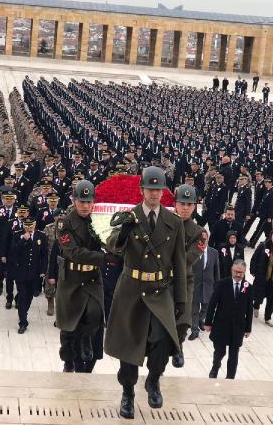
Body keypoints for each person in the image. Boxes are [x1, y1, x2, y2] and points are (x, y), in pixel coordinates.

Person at [105, 167, 189, 418]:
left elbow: (180, 263)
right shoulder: (129, 217)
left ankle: (153, 379)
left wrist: (181, 299)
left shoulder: (173, 222)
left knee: (164, 339)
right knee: (129, 346)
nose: (154, 194)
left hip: (159, 290)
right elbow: (112, 245)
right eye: (150, 189)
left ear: (164, 193)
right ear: (141, 190)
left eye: (158, 189)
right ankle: (128, 393)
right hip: (132, 289)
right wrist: (123, 234)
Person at [56, 180, 114, 372]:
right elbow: (74, 252)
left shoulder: (98, 220)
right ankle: (68, 361)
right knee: (69, 326)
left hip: (92, 278)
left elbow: (109, 239)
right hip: (71, 278)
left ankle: (87, 341)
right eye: (82, 201)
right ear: (74, 200)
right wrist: (103, 258)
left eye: (89, 202)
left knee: (95, 313)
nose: (86, 206)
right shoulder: (64, 223)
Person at [172, 184, 205, 367]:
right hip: (161, 277)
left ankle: (178, 346)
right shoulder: (165, 223)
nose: (185, 208)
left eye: (189, 204)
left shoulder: (199, 233)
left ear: (194, 207)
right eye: (181, 203)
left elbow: (188, 259)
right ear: (175, 204)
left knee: (183, 319)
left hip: (183, 279)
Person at [205, 259, 253, 379]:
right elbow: (212, 304)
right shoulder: (222, 284)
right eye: (236, 271)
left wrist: (248, 328)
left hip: (237, 328)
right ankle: (215, 368)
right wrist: (208, 322)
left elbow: (249, 309)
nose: (238, 275)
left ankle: (230, 378)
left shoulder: (248, 287)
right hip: (221, 326)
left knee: (233, 355)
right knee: (219, 352)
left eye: (241, 273)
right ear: (231, 270)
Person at [9, 217, 47, 334]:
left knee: (30, 296)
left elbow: (44, 255)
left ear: (35, 224)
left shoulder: (41, 236)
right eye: (27, 226)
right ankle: (23, 322)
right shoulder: (17, 235)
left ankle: (23, 311)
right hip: (21, 272)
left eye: (31, 226)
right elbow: (13, 251)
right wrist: (23, 240)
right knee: (22, 296)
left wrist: (43, 270)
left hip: (34, 273)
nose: (29, 228)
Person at [189, 233, 219, 341]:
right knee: (194, 309)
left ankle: (201, 320)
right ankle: (194, 330)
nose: (203, 241)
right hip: (194, 285)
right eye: (200, 239)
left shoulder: (214, 252)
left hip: (208, 286)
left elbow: (216, 270)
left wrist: (217, 286)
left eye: (205, 239)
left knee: (206, 308)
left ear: (208, 239)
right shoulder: (192, 252)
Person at [248, 177, 273, 248]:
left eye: (267, 182)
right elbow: (263, 202)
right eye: (265, 182)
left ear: (271, 183)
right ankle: (270, 242)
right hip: (264, 213)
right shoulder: (268, 190)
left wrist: (269, 216)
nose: (265, 183)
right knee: (269, 232)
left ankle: (252, 242)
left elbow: (271, 206)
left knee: (259, 229)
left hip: (267, 215)